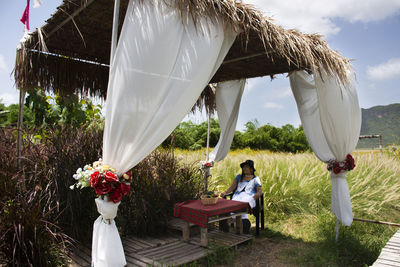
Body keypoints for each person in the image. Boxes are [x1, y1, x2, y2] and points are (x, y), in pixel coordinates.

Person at [220, 159, 262, 234]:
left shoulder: (256, 179)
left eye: (246, 167)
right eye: (243, 167)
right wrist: (225, 192)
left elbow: (259, 190)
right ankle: (242, 222)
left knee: (244, 204)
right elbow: (232, 187)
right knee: (233, 203)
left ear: (251, 169)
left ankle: (239, 221)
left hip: (249, 196)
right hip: (238, 195)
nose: (244, 168)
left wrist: (258, 194)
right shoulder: (239, 177)